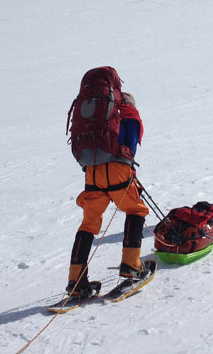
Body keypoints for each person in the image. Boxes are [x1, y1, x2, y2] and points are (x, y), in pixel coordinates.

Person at [67, 91, 150, 297]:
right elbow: (130, 147)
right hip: (117, 169)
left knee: (88, 224)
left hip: (92, 173)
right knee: (135, 210)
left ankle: (76, 280)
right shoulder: (130, 114)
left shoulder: (98, 117)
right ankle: (131, 265)